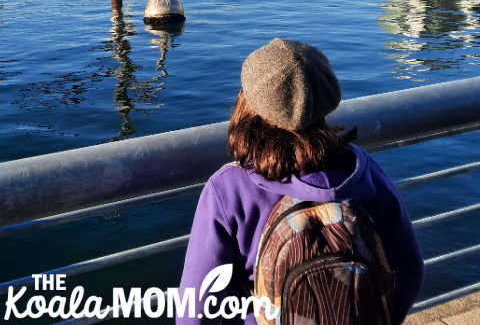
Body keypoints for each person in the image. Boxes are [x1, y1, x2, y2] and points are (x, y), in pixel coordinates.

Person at [177, 38, 423, 324]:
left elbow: (196, 309)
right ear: (327, 99)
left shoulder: (229, 188)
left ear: (248, 102)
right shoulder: (365, 173)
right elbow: (410, 271)